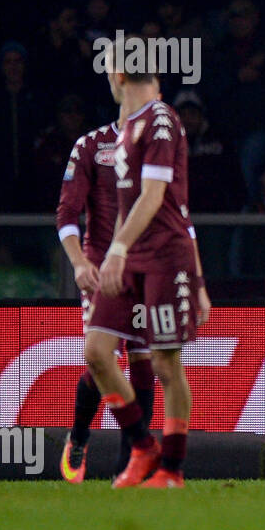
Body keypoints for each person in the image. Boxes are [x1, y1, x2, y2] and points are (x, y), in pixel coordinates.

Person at [87, 51, 212, 487]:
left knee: (165, 364)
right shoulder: (127, 128)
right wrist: (114, 256)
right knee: (97, 353)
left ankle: (173, 469)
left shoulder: (160, 120)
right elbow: (132, 204)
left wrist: (119, 249)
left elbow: (157, 196)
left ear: (117, 74)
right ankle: (143, 446)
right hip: (130, 257)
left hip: (163, 257)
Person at [56, 72, 154, 481]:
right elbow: (67, 213)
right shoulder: (91, 146)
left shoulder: (159, 146)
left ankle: (130, 465)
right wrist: (80, 263)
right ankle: (79, 436)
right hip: (100, 269)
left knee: (143, 360)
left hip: (146, 268)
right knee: (101, 360)